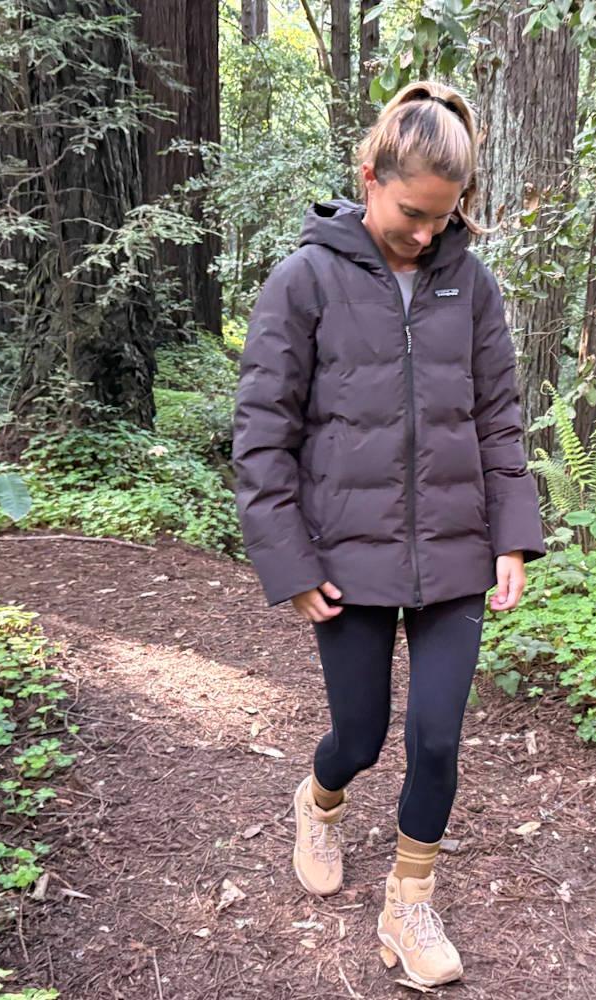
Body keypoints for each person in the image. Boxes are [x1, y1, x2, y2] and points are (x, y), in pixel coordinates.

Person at [231, 80, 544, 987]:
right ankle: (320, 800)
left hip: (453, 550)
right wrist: (288, 561)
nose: (424, 234)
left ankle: (410, 905)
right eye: (411, 213)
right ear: (368, 177)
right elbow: (262, 435)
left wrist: (512, 535)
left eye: (443, 220)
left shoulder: (469, 283)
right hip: (346, 557)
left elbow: (497, 418)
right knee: (360, 738)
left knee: (437, 738)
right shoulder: (306, 280)